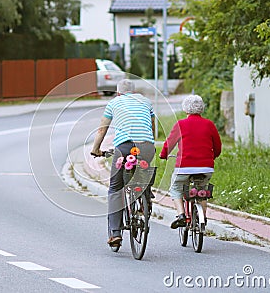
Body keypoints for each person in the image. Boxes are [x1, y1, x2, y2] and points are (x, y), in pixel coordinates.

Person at [91, 79, 156, 247]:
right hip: (147, 146)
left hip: (124, 147)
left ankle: (115, 232)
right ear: (134, 92)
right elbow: (152, 127)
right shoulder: (146, 102)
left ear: (118, 93)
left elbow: (102, 129)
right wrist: (149, 145)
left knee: (115, 187)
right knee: (144, 171)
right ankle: (146, 198)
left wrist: (96, 149)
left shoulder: (114, 102)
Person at [159, 95, 222, 229]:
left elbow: (169, 143)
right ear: (202, 108)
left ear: (185, 109)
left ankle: (181, 215)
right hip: (206, 168)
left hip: (184, 167)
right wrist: (213, 157)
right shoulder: (209, 124)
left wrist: (164, 154)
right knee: (202, 191)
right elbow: (218, 146)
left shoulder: (181, 124)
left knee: (176, 188)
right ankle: (202, 219)